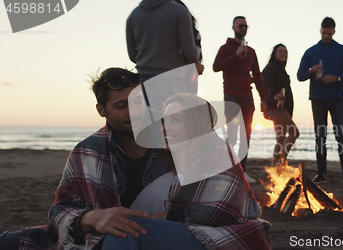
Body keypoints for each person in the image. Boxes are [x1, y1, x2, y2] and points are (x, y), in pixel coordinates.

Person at [0, 68, 171, 249]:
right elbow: (59, 212)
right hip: (94, 236)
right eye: (122, 106)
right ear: (101, 110)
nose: (134, 112)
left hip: (151, 235)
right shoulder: (87, 151)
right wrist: (91, 217)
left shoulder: (171, 141)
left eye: (139, 103)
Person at [101, 93, 272, 249]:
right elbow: (139, 212)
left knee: (124, 234)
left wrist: (161, 216)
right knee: (121, 230)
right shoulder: (169, 179)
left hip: (227, 239)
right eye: (164, 121)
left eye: (175, 120)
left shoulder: (219, 153)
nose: (165, 128)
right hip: (192, 237)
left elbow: (216, 212)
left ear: (196, 124)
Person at [297, 17, 343, 185]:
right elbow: (299, 75)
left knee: (341, 136)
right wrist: (311, 71)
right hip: (317, 99)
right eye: (324, 33)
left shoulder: (342, 50)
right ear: (320, 31)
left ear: (334, 31)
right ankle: (321, 173)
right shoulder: (310, 51)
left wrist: (336, 78)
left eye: (329, 33)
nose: (326, 36)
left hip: (337, 98)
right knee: (320, 137)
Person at [213, 16, 267, 183]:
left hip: (247, 98)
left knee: (246, 136)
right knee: (232, 135)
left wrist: (263, 99)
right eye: (240, 25)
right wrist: (235, 55)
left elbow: (258, 76)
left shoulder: (251, 52)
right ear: (234, 27)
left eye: (245, 25)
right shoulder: (226, 48)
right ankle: (229, 170)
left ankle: (242, 172)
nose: (243, 28)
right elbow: (216, 66)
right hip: (231, 96)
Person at [126, 0, 203, 84]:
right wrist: (196, 63)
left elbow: (132, 55)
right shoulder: (180, 11)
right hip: (173, 75)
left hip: (144, 77)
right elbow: (189, 52)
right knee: (175, 98)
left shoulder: (133, 15)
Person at [263, 44, 300, 166]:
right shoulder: (271, 67)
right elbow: (267, 84)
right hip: (276, 109)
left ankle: (274, 166)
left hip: (283, 109)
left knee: (280, 138)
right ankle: (281, 161)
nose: (283, 53)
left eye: (285, 51)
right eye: (280, 51)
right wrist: (274, 95)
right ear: (274, 53)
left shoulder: (281, 68)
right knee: (294, 133)